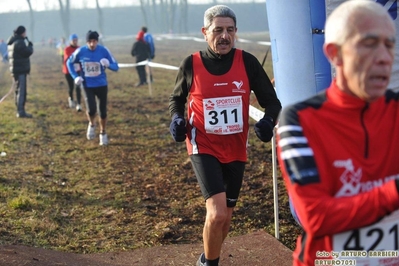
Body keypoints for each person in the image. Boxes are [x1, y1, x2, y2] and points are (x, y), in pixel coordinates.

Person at [276, 1, 399, 266]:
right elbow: (316, 217)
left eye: (389, 44)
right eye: (368, 43)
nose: (383, 57)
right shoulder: (300, 120)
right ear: (334, 53)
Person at [168, 5, 281, 266]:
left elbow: (272, 102)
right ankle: (210, 264)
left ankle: (208, 256)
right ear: (205, 32)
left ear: (236, 32)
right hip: (202, 144)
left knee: (226, 217)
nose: (224, 36)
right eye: (217, 30)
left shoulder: (248, 62)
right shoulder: (191, 63)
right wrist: (177, 119)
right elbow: (176, 98)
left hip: (235, 147)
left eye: (230, 30)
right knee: (217, 213)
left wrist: (267, 122)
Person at [66, 30, 119, 146]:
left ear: (97, 41)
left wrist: (109, 65)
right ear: (86, 42)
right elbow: (69, 63)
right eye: (89, 41)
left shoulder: (104, 51)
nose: (92, 44)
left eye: (94, 41)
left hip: (101, 84)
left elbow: (116, 67)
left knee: (103, 112)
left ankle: (103, 133)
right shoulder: (80, 51)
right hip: (87, 85)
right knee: (91, 110)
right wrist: (75, 77)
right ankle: (92, 124)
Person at [7, 25, 34, 118]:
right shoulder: (20, 42)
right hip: (20, 70)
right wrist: (30, 46)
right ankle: (21, 111)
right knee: (21, 91)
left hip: (15, 70)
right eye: (25, 32)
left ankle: (19, 109)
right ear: (22, 33)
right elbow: (27, 52)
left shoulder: (12, 41)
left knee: (17, 90)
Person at [63, 33, 82, 111]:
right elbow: (67, 59)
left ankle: (79, 104)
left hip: (77, 70)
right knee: (71, 87)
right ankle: (71, 98)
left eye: (76, 40)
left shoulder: (79, 48)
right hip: (68, 71)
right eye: (73, 40)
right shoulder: (67, 49)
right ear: (70, 41)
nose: (75, 42)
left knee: (78, 87)